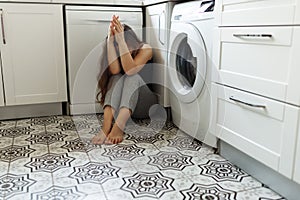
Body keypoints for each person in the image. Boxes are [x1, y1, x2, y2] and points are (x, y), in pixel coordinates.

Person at [92, 15, 157, 145]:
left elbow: (130, 70)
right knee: (115, 77)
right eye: (116, 45)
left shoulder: (145, 49)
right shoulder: (116, 48)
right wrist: (111, 40)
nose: (120, 47)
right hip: (125, 110)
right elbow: (115, 71)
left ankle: (119, 126)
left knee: (132, 75)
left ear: (131, 39)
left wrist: (121, 41)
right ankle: (106, 128)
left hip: (146, 105)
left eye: (124, 41)